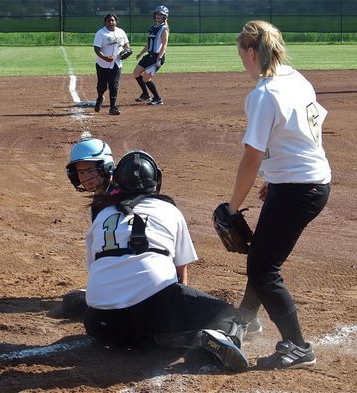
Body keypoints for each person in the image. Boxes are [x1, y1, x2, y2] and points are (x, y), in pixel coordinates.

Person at [82, 150, 250, 372]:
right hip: (153, 303)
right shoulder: (169, 209)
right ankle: (215, 338)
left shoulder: (102, 214)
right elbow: (181, 272)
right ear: (155, 181)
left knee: (131, 328)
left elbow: (95, 268)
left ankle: (150, 338)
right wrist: (181, 314)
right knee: (229, 315)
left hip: (99, 322)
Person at [228, 20, 331, 370]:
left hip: (299, 189)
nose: (241, 60)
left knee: (262, 268)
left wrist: (232, 207)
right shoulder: (293, 77)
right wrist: (277, 178)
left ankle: (298, 347)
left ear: (252, 52)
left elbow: (251, 157)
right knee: (262, 256)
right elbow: (303, 132)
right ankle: (245, 319)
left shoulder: (263, 94)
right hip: (304, 182)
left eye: (242, 53)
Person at [62, 135, 116, 317]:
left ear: (106, 167)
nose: (86, 177)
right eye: (81, 172)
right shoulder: (111, 193)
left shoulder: (108, 202)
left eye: (91, 170)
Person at [93, 13, 130, 115]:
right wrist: (104, 57)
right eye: (108, 21)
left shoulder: (121, 32)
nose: (111, 22)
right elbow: (97, 49)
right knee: (102, 85)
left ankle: (112, 107)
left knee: (114, 85)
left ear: (116, 21)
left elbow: (126, 44)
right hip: (102, 64)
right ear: (105, 22)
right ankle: (100, 97)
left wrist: (128, 51)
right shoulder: (101, 33)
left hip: (116, 63)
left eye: (113, 20)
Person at [133, 5, 169, 105]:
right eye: (157, 13)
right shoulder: (152, 27)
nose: (158, 16)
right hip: (149, 56)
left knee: (146, 78)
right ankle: (145, 94)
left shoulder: (164, 29)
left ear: (164, 17)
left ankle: (157, 98)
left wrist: (159, 57)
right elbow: (149, 43)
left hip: (157, 56)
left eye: (161, 14)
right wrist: (141, 53)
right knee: (136, 73)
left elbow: (164, 45)